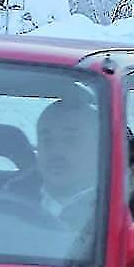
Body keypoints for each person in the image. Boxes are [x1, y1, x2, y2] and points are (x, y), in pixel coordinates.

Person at [34, 95, 100, 226]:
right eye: (46, 140)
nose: (56, 151)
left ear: (100, 147)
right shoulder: (2, 205)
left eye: (72, 139)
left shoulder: (127, 212)